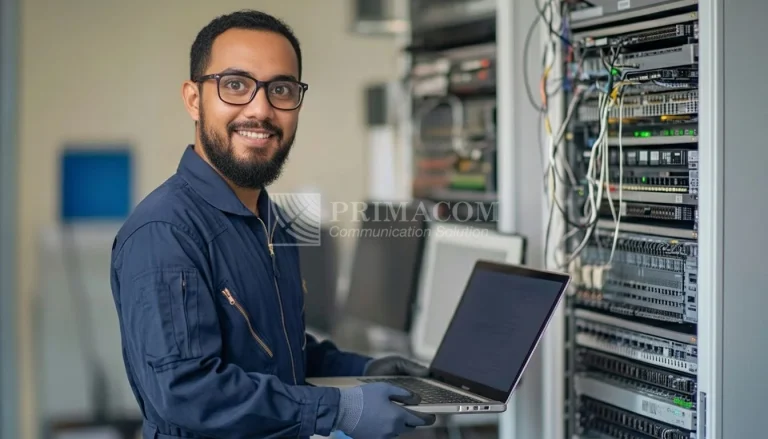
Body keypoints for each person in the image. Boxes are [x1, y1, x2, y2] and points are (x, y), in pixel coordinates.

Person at [109, 9, 436, 439]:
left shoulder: (269, 221)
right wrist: (338, 409)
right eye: (236, 85)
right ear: (193, 98)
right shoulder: (166, 233)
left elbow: (278, 353)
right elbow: (187, 391)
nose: (260, 109)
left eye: (280, 88)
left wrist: (364, 371)